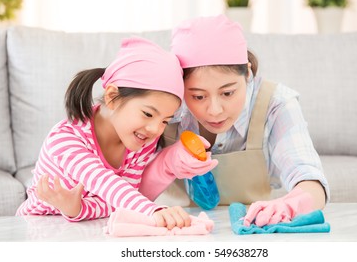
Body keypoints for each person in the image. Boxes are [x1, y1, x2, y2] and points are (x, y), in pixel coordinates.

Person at [138, 15, 330, 227]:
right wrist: (164, 164)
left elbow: (311, 179)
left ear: (247, 73)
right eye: (198, 96)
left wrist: (291, 205)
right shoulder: (164, 106)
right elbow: (127, 188)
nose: (215, 111)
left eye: (228, 93)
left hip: (252, 230)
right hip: (174, 231)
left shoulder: (276, 103)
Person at [16, 37, 216, 229]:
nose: (156, 130)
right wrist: (153, 211)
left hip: (93, 228)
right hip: (37, 227)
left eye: (165, 120)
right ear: (112, 97)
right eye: (148, 114)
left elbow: (119, 202)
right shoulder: (65, 140)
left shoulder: (141, 142)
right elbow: (106, 184)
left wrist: (78, 209)